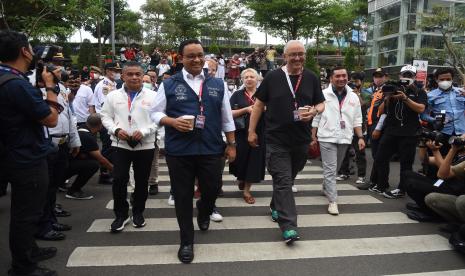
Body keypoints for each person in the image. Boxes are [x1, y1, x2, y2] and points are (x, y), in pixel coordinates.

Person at [150, 39, 236, 264]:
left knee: (213, 188)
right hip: (180, 150)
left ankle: (205, 209)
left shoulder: (218, 84)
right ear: (181, 58)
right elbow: (155, 114)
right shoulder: (169, 83)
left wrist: (232, 144)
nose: (197, 59)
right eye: (191, 56)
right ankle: (186, 241)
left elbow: (227, 117)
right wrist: (172, 121)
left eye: (200, 54)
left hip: (210, 148)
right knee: (182, 196)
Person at [248, 40, 325, 243]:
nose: (297, 58)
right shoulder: (273, 77)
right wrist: (251, 131)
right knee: (283, 181)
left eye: (301, 54)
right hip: (276, 139)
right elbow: (258, 106)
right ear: (285, 56)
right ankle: (289, 226)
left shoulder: (311, 77)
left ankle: (275, 205)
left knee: (288, 178)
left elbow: (321, 102)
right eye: (293, 54)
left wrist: (314, 111)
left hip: (301, 139)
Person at [0, 30, 60, 276]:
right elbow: (51, 119)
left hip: (12, 152)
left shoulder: (6, 78)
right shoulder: (15, 84)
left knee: (27, 210)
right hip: (26, 157)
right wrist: (50, 87)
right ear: (24, 51)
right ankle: (23, 267)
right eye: (31, 47)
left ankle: (30, 251)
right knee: (26, 214)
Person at [101, 61, 157, 233]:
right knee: (119, 180)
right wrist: (115, 129)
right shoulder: (112, 96)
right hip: (120, 144)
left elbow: (159, 118)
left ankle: (138, 212)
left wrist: (146, 131)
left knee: (141, 182)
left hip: (145, 145)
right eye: (130, 74)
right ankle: (121, 214)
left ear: (142, 76)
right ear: (123, 76)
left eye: (137, 74)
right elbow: (105, 116)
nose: (134, 77)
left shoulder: (153, 96)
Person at [36, 52, 82, 242]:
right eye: (55, 64)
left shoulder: (60, 88)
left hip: (62, 142)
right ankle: (43, 224)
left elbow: (69, 115)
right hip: (48, 142)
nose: (60, 68)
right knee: (44, 189)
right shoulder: (36, 89)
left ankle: (50, 219)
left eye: (61, 64)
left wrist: (75, 139)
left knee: (53, 185)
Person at [311, 67, 365, 215]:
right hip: (326, 136)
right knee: (330, 169)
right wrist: (313, 136)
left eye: (344, 76)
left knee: (335, 168)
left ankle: (325, 187)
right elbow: (316, 116)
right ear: (331, 79)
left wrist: (360, 137)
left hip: (345, 137)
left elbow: (357, 119)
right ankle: (333, 201)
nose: (341, 78)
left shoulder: (354, 97)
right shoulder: (322, 94)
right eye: (338, 76)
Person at [370, 65, 427, 198]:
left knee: (406, 163)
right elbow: (381, 111)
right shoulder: (391, 88)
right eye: (404, 75)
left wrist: (405, 98)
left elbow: (420, 109)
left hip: (409, 132)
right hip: (391, 130)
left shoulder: (419, 91)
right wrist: (388, 98)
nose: (406, 77)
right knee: (380, 158)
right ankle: (381, 184)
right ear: (399, 76)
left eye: (410, 75)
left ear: (414, 77)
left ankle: (402, 189)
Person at [230, 68, 265, 204]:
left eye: (252, 77)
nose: (249, 79)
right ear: (243, 80)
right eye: (246, 77)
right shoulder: (237, 95)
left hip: (259, 132)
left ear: (257, 80)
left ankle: (247, 190)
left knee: (254, 162)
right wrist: (245, 109)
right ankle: (241, 178)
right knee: (239, 160)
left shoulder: (264, 94)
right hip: (240, 133)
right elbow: (229, 113)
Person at [66, 114, 113, 199]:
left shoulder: (81, 128)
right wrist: (113, 169)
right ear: (100, 125)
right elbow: (101, 159)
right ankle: (74, 190)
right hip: (64, 168)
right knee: (93, 165)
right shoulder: (87, 137)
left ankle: (61, 183)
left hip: (63, 164)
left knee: (88, 159)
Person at [90, 62, 122, 185]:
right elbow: (106, 105)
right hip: (107, 121)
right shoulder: (105, 85)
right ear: (108, 71)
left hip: (111, 121)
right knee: (108, 148)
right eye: (115, 70)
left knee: (112, 148)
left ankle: (110, 172)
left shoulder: (112, 83)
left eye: (118, 70)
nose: (117, 73)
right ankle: (104, 174)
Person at [422, 67, 465, 156]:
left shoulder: (461, 92)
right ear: (436, 80)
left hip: (462, 133)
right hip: (442, 134)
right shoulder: (430, 96)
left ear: (452, 79)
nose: (445, 81)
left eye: (448, 79)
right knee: (439, 164)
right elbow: (423, 115)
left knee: (459, 165)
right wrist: (435, 120)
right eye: (442, 79)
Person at [337, 72, 369, 186]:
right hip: (346, 126)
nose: (354, 83)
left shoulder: (366, 92)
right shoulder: (346, 92)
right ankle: (344, 172)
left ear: (362, 81)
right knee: (344, 151)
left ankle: (361, 175)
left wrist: (357, 95)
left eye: (356, 81)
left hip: (360, 126)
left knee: (359, 152)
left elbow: (364, 105)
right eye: (352, 81)